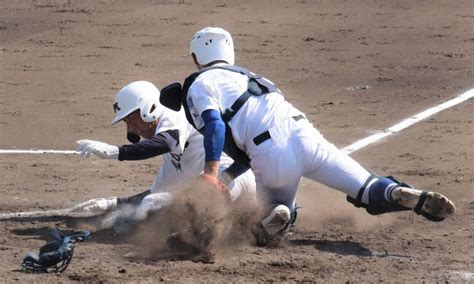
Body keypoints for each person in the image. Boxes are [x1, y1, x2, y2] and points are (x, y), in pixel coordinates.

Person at [161, 27, 455, 246]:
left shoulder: (200, 84)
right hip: (305, 134)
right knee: (367, 188)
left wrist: (212, 174)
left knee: (263, 226)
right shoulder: (250, 78)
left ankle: (279, 212)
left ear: (195, 58)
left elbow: (215, 125)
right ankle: (395, 193)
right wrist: (226, 177)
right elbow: (245, 144)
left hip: (272, 155)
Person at [75, 80, 256, 231]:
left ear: (148, 108)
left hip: (231, 177)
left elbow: (165, 142)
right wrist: (113, 203)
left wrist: (113, 152)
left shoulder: (173, 115)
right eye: (126, 122)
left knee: (152, 207)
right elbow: (156, 191)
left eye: (131, 119)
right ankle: (256, 225)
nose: (131, 128)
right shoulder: (173, 158)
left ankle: (196, 237)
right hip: (223, 192)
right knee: (155, 202)